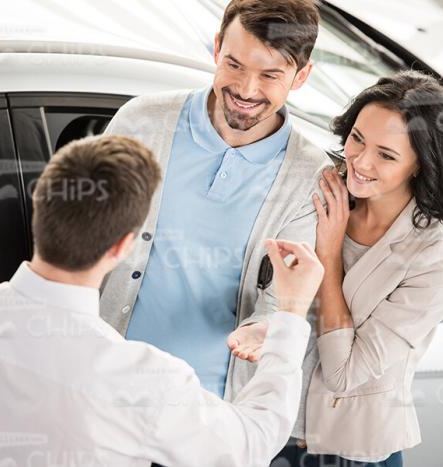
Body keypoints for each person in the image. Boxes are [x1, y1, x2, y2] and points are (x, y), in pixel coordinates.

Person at [0, 135, 325, 467]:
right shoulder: (146, 381)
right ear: (123, 247)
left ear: (39, 203)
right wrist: (288, 315)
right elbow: (252, 443)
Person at [230, 70, 443, 466]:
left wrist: (328, 253)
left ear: (419, 164)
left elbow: (344, 373)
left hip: (346, 453)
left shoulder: (438, 258)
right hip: (265, 428)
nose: (360, 161)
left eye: (386, 155)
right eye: (357, 139)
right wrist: (264, 325)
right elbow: (275, 294)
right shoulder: (320, 192)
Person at [100, 0, 330, 413]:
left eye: (270, 75)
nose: (246, 90)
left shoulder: (310, 176)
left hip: (209, 415)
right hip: (103, 385)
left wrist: (266, 327)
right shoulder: (141, 122)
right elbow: (82, 242)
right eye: (235, 65)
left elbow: (283, 296)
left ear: (301, 76)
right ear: (217, 46)